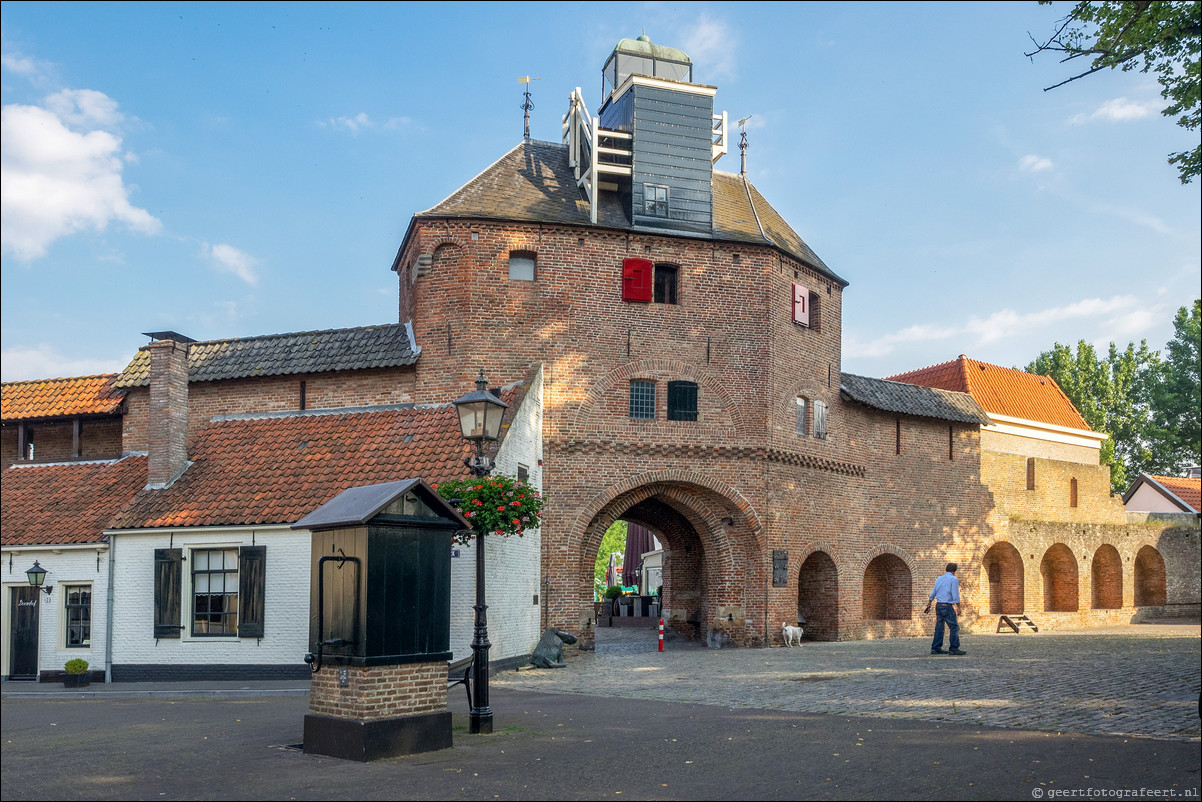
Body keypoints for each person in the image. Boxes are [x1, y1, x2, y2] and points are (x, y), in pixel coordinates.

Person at [925, 562, 965, 655]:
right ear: (954, 571)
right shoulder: (953, 579)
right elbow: (955, 594)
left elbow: (933, 592)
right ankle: (954, 648)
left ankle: (935, 647)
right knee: (954, 627)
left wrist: (929, 603)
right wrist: (958, 607)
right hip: (947, 606)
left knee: (939, 627)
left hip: (938, 605)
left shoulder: (939, 578)